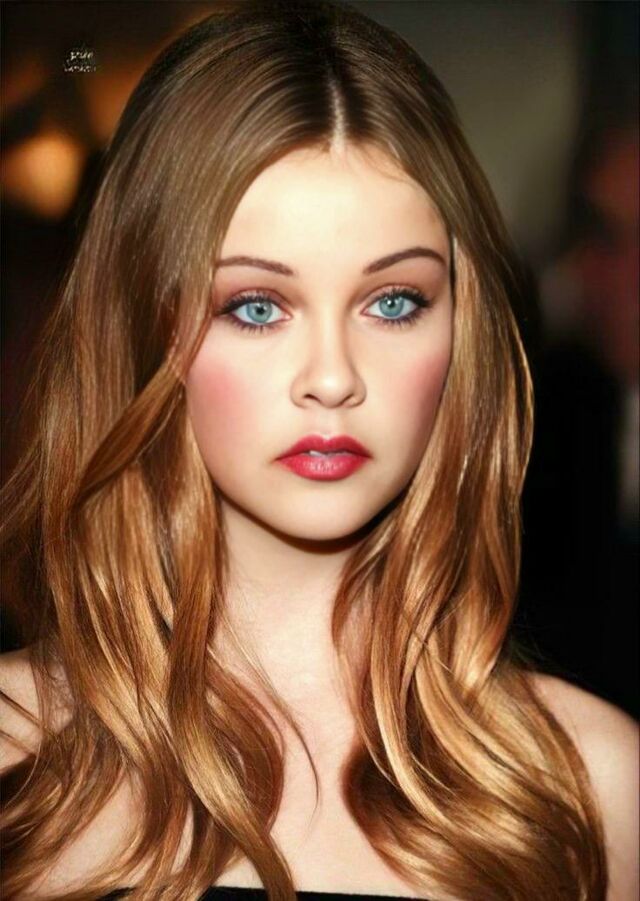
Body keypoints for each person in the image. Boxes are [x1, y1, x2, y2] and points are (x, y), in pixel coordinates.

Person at [0, 2, 637, 899]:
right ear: (142, 328)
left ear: (462, 332)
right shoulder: (15, 757)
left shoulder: (593, 788)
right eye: (256, 306)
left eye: (393, 302)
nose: (333, 378)